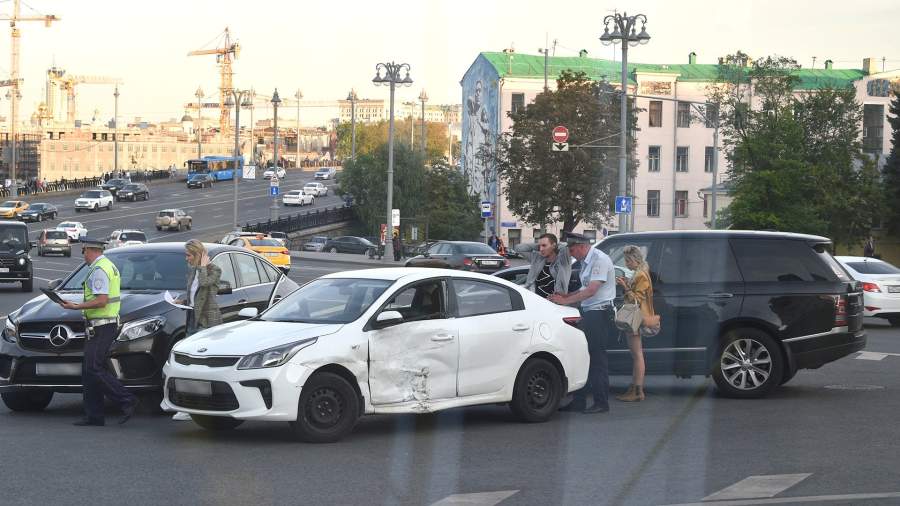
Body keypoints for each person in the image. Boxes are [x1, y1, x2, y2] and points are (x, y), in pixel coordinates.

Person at [57, 238, 138, 426]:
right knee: (88, 370)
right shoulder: (106, 265)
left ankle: (127, 399)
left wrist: (76, 306)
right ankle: (94, 415)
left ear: (90, 250)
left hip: (103, 325)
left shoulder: (99, 269)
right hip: (99, 325)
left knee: (94, 367)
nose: (83, 255)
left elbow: (102, 300)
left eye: (83, 251)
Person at [549, 233, 616, 414]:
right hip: (589, 312)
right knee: (582, 356)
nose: (571, 254)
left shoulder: (600, 259)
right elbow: (583, 288)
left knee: (596, 358)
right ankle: (578, 401)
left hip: (599, 313)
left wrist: (566, 302)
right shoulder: (587, 261)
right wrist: (565, 296)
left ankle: (601, 402)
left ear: (581, 246)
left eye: (572, 250)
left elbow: (592, 290)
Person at [170, 240, 223, 421]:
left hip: (207, 321)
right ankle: (186, 405)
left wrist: (202, 266)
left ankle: (202, 406)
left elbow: (205, 284)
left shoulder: (214, 270)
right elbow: (195, 297)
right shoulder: (192, 270)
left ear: (198, 255)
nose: (186, 259)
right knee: (187, 362)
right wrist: (183, 302)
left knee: (203, 366)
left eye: (189, 255)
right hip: (192, 318)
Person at [614, 245, 659, 402]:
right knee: (636, 355)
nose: (626, 264)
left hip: (636, 320)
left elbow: (635, 300)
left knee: (637, 355)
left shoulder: (640, 275)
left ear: (635, 259)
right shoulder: (640, 274)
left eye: (628, 260)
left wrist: (625, 286)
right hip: (636, 319)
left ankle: (638, 391)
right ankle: (634, 388)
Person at [516, 233, 572, 299]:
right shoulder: (537, 258)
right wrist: (538, 245)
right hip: (535, 300)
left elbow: (565, 247)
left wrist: (556, 245)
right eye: (539, 246)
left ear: (554, 245)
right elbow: (519, 248)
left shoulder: (563, 261)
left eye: (544, 245)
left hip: (554, 303)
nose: (541, 249)